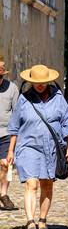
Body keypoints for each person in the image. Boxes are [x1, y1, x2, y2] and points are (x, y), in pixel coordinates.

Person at [0, 64, 68, 229]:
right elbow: (14, 127)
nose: (40, 85)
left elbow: (67, 122)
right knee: (31, 183)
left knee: (47, 184)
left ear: (48, 81)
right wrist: (10, 151)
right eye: (36, 82)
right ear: (31, 82)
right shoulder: (24, 99)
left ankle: (42, 221)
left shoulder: (58, 98)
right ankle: (30, 222)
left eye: (43, 82)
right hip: (28, 147)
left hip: (51, 148)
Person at [0, 58, 20, 210]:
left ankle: (3, 194)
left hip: (6, 132)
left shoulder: (12, 88)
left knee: (5, 164)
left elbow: (17, 113)